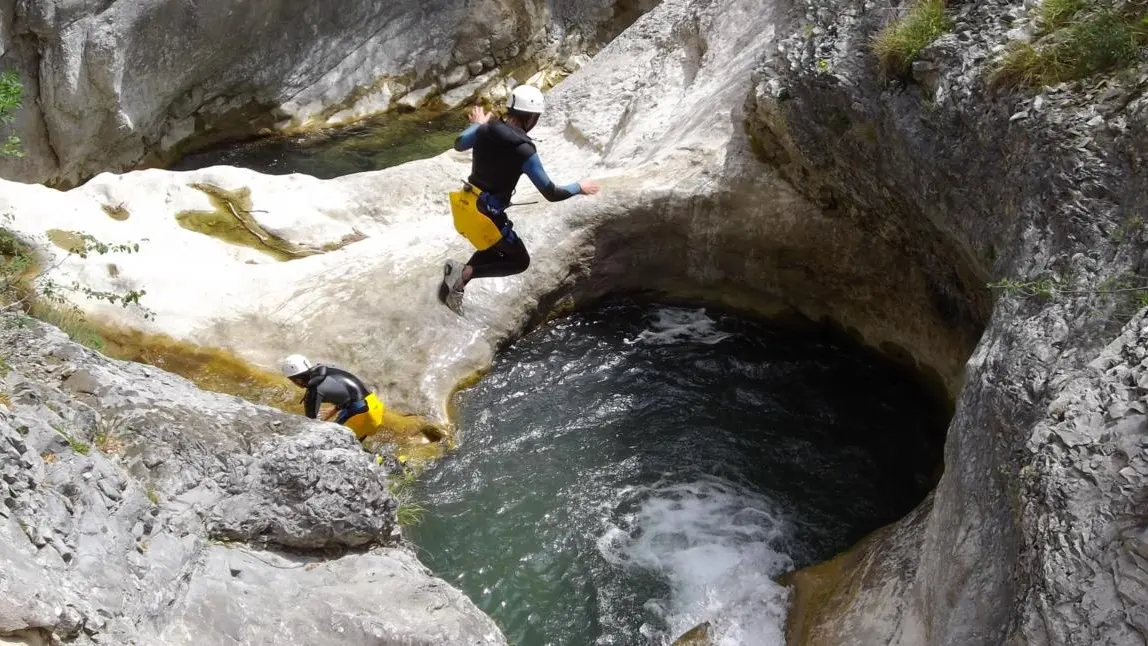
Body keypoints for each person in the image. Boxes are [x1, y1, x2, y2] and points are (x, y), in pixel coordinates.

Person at [439, 84, 600, 314]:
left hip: (465, 206)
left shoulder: (486, 129)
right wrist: (579, 187)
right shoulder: (524, 150)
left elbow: (459, 143)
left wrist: (477, 124)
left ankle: (458, 280)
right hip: (487, 216)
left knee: (495, 246)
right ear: (532, 118)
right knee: (519, 261)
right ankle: (462, 274)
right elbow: (551, 193)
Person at [280, 354, 385, 440]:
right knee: (354, 442)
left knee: (335, 442)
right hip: (374, 406)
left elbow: (310, 424)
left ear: (296, 379)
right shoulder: (327, 368)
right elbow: (350, 390)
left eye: (293, 380)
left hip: (361, 413)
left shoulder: (314, 390)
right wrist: (336, 408)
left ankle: (387, 462)